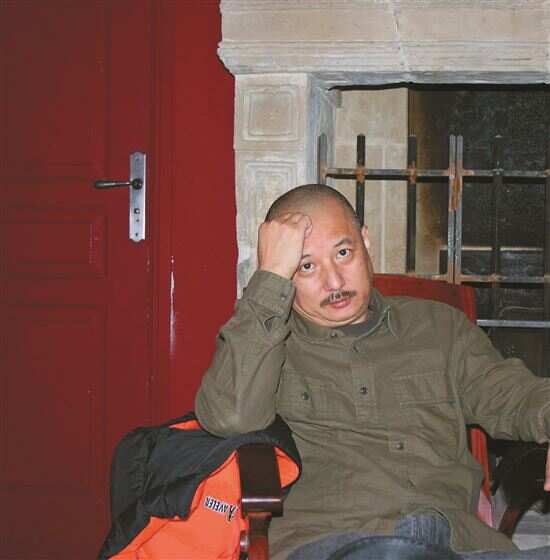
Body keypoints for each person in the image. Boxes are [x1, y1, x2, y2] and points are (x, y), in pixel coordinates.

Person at [195, 184, 550, 559]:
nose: (334, 282)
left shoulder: (439, 327)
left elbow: (512, 394)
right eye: (306, 266)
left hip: (456, 544)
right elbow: (230, 416)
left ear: (366, 242)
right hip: (336, 544)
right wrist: (269, 280)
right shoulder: (269, 348)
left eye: (343, 253)